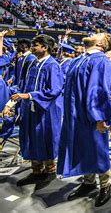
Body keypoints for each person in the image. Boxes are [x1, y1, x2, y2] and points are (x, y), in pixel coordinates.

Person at [57, 32, 111, 207]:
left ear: (101, 43)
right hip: (76, 114)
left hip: (92, 116)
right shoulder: (79, 59)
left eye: (97, 34)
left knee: (98, 149)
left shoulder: (101, 60)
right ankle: (88, 182)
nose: (92, 33)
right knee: (83, 147)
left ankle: (106, 185)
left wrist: (100, 117)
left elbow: (100, 90)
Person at [5, 35, 64, 186]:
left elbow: (54, 90)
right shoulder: (33, 64)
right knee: (31, 138)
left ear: (45, 48)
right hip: (30, 109)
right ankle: (36, 171)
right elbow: (23, 86)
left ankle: (50, 171)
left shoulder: (52, 65)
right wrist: (11, 104)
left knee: (45, 138)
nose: (32, 48)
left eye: (36, 45)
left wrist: (29, 95)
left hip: (46, 111)